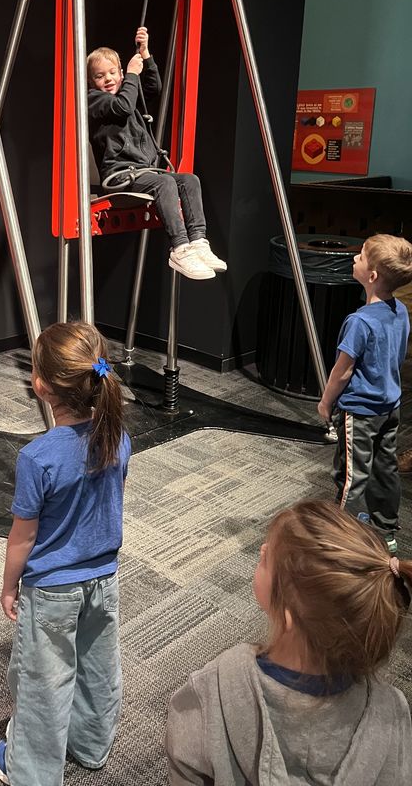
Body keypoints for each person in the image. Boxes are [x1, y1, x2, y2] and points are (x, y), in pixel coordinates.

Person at [166, 498, 412, 785]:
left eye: (267, 558)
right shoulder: (390, 714)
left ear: (289, 615)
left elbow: (185, 766)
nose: (262, 549)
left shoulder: (215, 687)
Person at [0, 321, 131, 786]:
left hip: (52, 590)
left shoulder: (38, 457)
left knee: (42, 684)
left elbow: (22, 539)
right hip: (105, 580)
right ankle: (92, 745)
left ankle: (31, 773)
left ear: (40, 385)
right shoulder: (118, 437)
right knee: (97, 666)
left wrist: (10, 586)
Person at [87, 26, 226, 280]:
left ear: (119, 72)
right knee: (164, 182)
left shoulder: (128, 95)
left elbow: (153, 88)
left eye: (112, 72)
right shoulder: (96, 101)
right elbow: (122, 107)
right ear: (91, 82)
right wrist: (130, 75)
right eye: (99, 76)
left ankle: (197, 241)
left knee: (188, 179)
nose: (107, 79)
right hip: (120, 176)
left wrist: (146, 54)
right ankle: (180, 248)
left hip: (144, 172)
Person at [318, 234, 412, 555]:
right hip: (390, 406)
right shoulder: (400, 311)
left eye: (359, 257)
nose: (354, 259)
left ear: (371, 275)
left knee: (350, 474)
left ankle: (339, 534)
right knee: (384, 467)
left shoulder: (358, 322)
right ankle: (386, 530)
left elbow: (342, 371)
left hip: (360, 410)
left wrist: (326, 401)